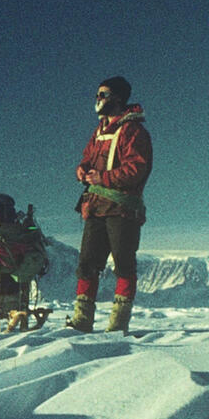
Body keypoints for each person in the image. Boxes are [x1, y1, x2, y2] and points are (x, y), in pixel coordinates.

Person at [70, 76, 152, 333]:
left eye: (103, 94)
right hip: (95, 207)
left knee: (123, 264)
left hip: (122, 209)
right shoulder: (99, 132)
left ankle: (118, 324)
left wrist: (102, 178)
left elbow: (137, 169)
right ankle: (81, 321)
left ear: (117, 98)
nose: (98, 99)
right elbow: (87, 159)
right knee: (86, 264)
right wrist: (82, 171)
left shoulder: (133, 131)